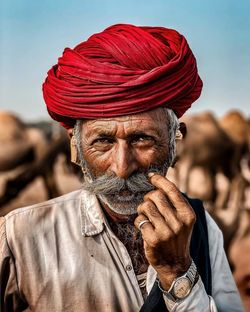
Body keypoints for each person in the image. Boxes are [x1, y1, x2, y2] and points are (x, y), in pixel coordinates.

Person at [0, 24, 244, 312]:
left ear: (176, 143)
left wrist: (178, 272)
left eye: (142, 139)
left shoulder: (202, 229)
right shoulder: (20, 236)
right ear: (75, 147)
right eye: (103, 141)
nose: (122, 167)